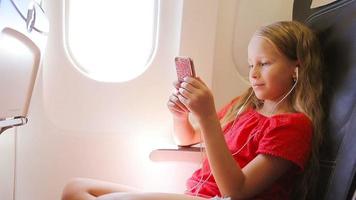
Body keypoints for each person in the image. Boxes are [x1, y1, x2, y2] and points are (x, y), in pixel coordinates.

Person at [61, 21, 323, 200]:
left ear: (296, 68)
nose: (253, 74)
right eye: (250, 64)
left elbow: (237, 191)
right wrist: (181, 116)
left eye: (264, 64)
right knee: (75, 189)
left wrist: (208, 116)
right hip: (194, 194)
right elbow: (186, 138)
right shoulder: (244, 107)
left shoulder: (293, 126)